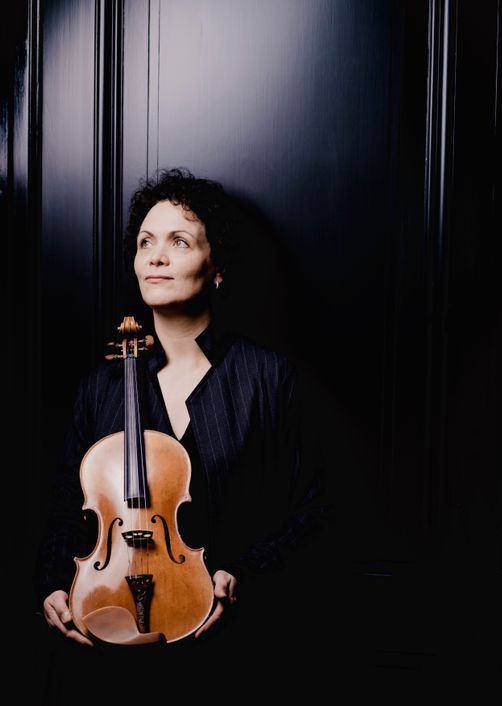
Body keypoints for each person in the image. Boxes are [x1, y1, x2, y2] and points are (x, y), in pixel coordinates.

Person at [34, 167, 332, 652]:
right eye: (146, 242)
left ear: (218, 268)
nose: (156, 256)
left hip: (238, 648)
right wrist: (51, 584)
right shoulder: (102, 387)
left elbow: (315, 509)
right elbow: (67, 508)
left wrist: (244, 575)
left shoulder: (266, 378)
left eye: (180, 242)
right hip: (106, 633)